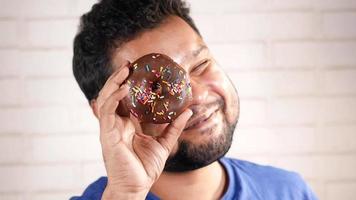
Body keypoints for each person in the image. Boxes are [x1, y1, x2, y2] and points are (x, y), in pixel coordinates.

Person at [71, 0, 318, 199]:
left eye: (200, 65)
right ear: (108, 110)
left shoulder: (289, 191)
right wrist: (126, 195)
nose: (196, 96)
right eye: (156, 88)